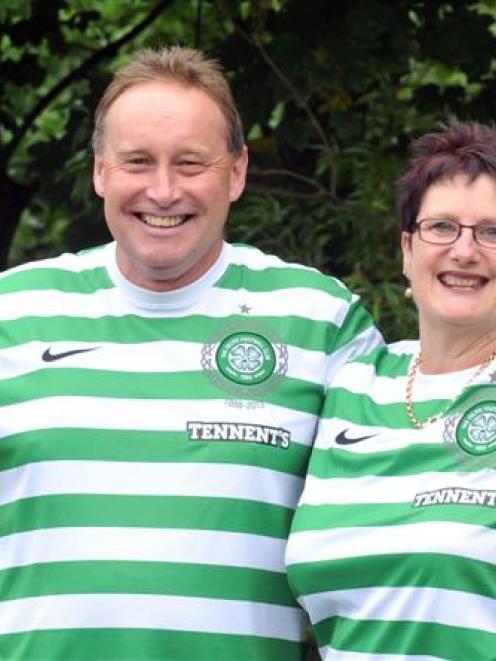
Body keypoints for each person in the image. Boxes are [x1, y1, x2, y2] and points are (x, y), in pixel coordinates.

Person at [0, 46, 382, 660]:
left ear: (236, 172)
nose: (163, 189)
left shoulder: (320, 320)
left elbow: (394, 524)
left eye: (190, 162)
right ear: (99, 171)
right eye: (136, 161)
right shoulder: (12, 312)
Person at [286, 121, 496, 659]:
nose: (465, 251)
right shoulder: (352, 383)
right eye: (442, 227)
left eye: (492, 232)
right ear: (407, 250)